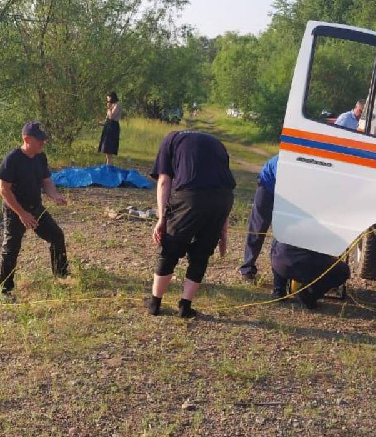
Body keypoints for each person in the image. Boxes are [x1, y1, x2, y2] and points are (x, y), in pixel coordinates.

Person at [146, 130, 236, 318]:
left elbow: (164, 182)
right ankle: (185, 307)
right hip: (223, 200)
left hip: (191, 198)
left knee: (170, 248)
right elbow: (224, 185)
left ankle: (155, 303)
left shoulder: (170, 141)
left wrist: (162, 219)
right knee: (201, 254)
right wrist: (223, 232)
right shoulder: (217, 144)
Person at [0, 121, 68, 296]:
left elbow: (46, 181)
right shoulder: (12, 159)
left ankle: (61, 276)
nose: (43, 143)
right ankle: (5, 289)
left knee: (57, 236)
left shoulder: (40, 157)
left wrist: (55, 195)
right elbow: (3, 190)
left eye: (43, 139)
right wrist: (22, 214)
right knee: (11, 248)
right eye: (39, 140)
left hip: (36, 207)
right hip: (15, 210)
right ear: (27, 139)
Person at [270, 240, 350, 310]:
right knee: (343, 270)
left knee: (280, 247)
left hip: (279, 264)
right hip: (301, 267)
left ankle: (279, 289)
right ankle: (308, 295)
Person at [239, 155, 278, 291]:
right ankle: (247, 268)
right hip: (267, 184)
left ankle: (281, 275)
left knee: (283, 231)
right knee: (258, 226)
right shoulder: (283, 161)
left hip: (288, 188)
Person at [98, 91, 121, 165]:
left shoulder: (117, 104)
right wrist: (102, 123)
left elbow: (111, 116)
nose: (108, 101)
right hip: (108, 125)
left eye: (108, 99)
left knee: (110, 147)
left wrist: (109, 108)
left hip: (113, 126)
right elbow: (107, 118)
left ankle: (109, 164)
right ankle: (107, 163)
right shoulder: (111, 105)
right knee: (106, 146)